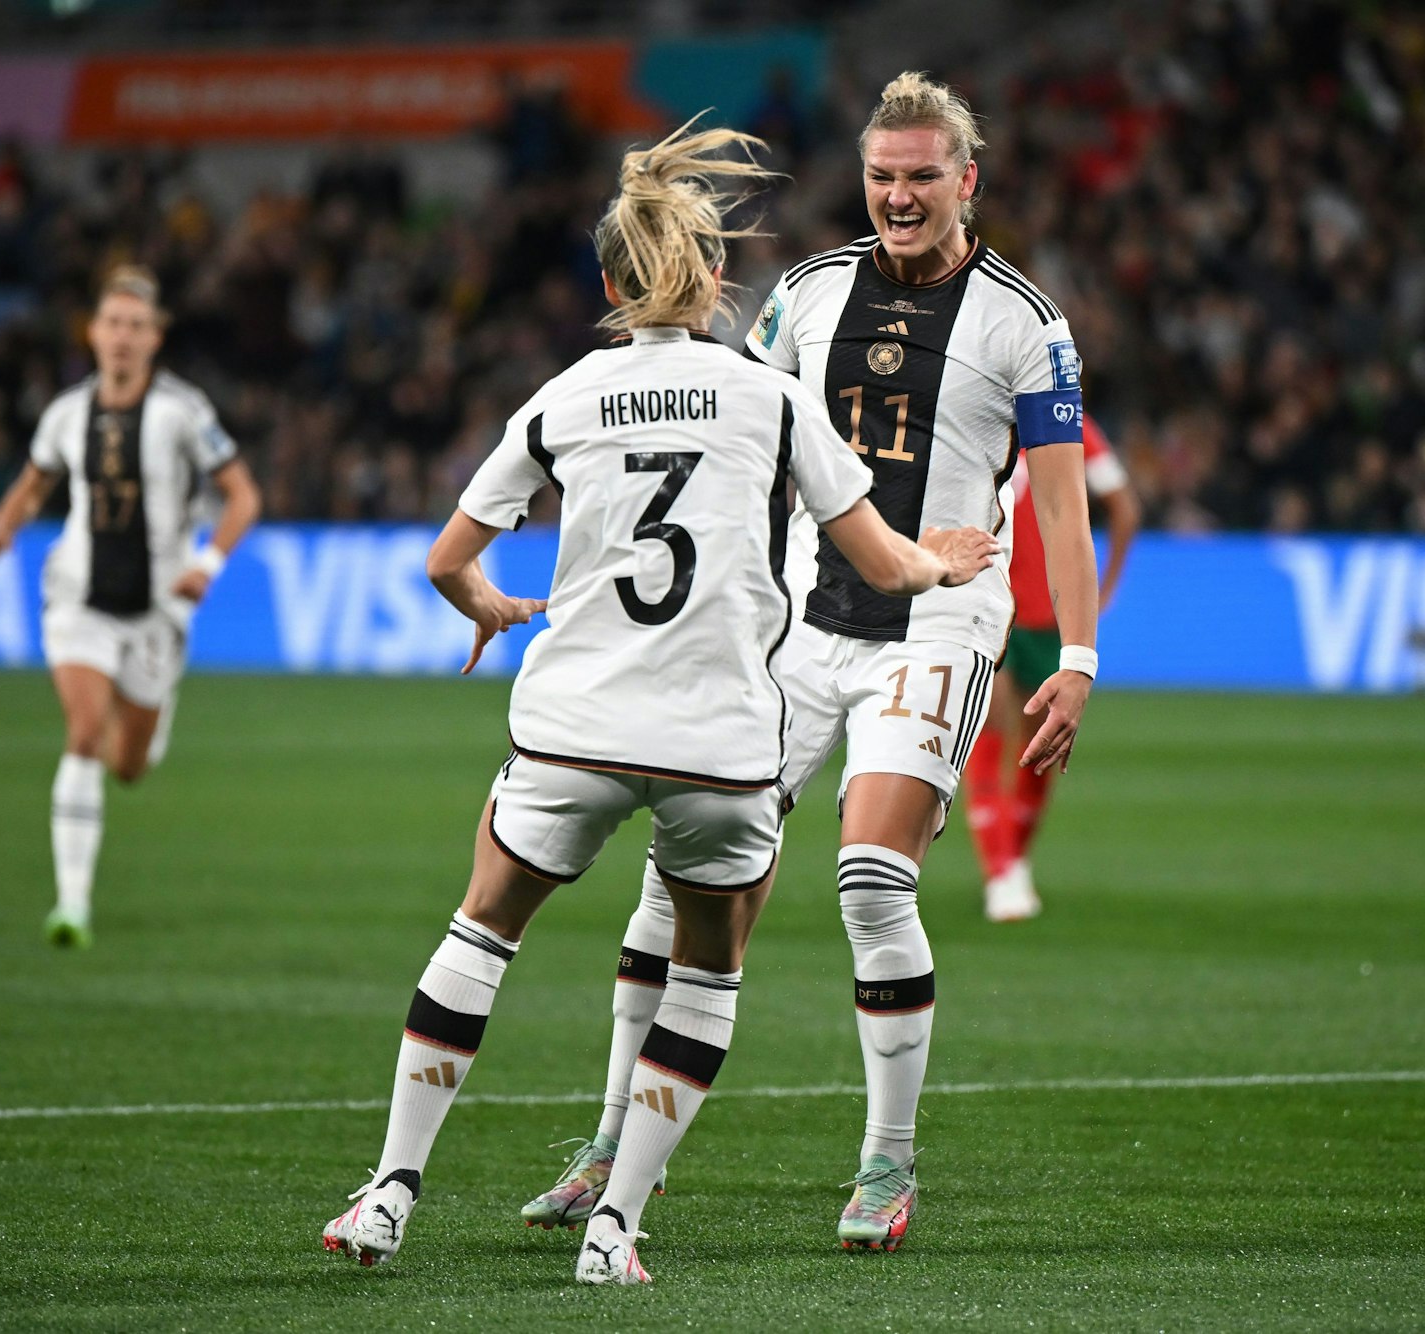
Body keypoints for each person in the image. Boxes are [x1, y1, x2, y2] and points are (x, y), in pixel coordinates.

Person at [317, 121, 998, 1287]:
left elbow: (445, 559)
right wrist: (945, 561)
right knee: (708, 972)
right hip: (717, 743)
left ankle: (389, 1192)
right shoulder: (770, 399)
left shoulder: (564, 397)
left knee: (481, 931)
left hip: (574, 725)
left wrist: (490, 603)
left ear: (608, 287)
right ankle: (614, 1227)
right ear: (717, 275)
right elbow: (885, 564)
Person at [520, 71, 1102, 1252]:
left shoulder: (1026, 325)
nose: (899, 196)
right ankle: (612, 1144)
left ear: (967, 179)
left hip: (937, 624)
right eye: (883, 176)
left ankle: (887, 1161)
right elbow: (739, 445)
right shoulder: (804, 297)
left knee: (872, 880)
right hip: (793, 628)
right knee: (676, 881)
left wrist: (1079, 653)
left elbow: (1061, 503)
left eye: (922, 177)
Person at [0, 266, 261, 947]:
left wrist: (207, 565)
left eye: (137, 326)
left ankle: (142, 723)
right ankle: (71, 905)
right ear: (93, 332)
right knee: (83, 733)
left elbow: (243, 495)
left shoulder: (183, 411)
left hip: (157, 608)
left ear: (156, 337)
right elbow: (35, 482)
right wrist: (1, 527)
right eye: (113, 324)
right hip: (77, 596)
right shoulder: (66, 413)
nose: (123, 337)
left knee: (128, 766)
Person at [966, 414, 1137, 921]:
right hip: (989, 606)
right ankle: (1000, 871)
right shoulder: (991, 411)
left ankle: (1013, 860)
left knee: (1036, 747)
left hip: (1044, 614)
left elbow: (1124, 507)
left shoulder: (1067, 423)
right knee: (989, 732)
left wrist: (1106, 590)